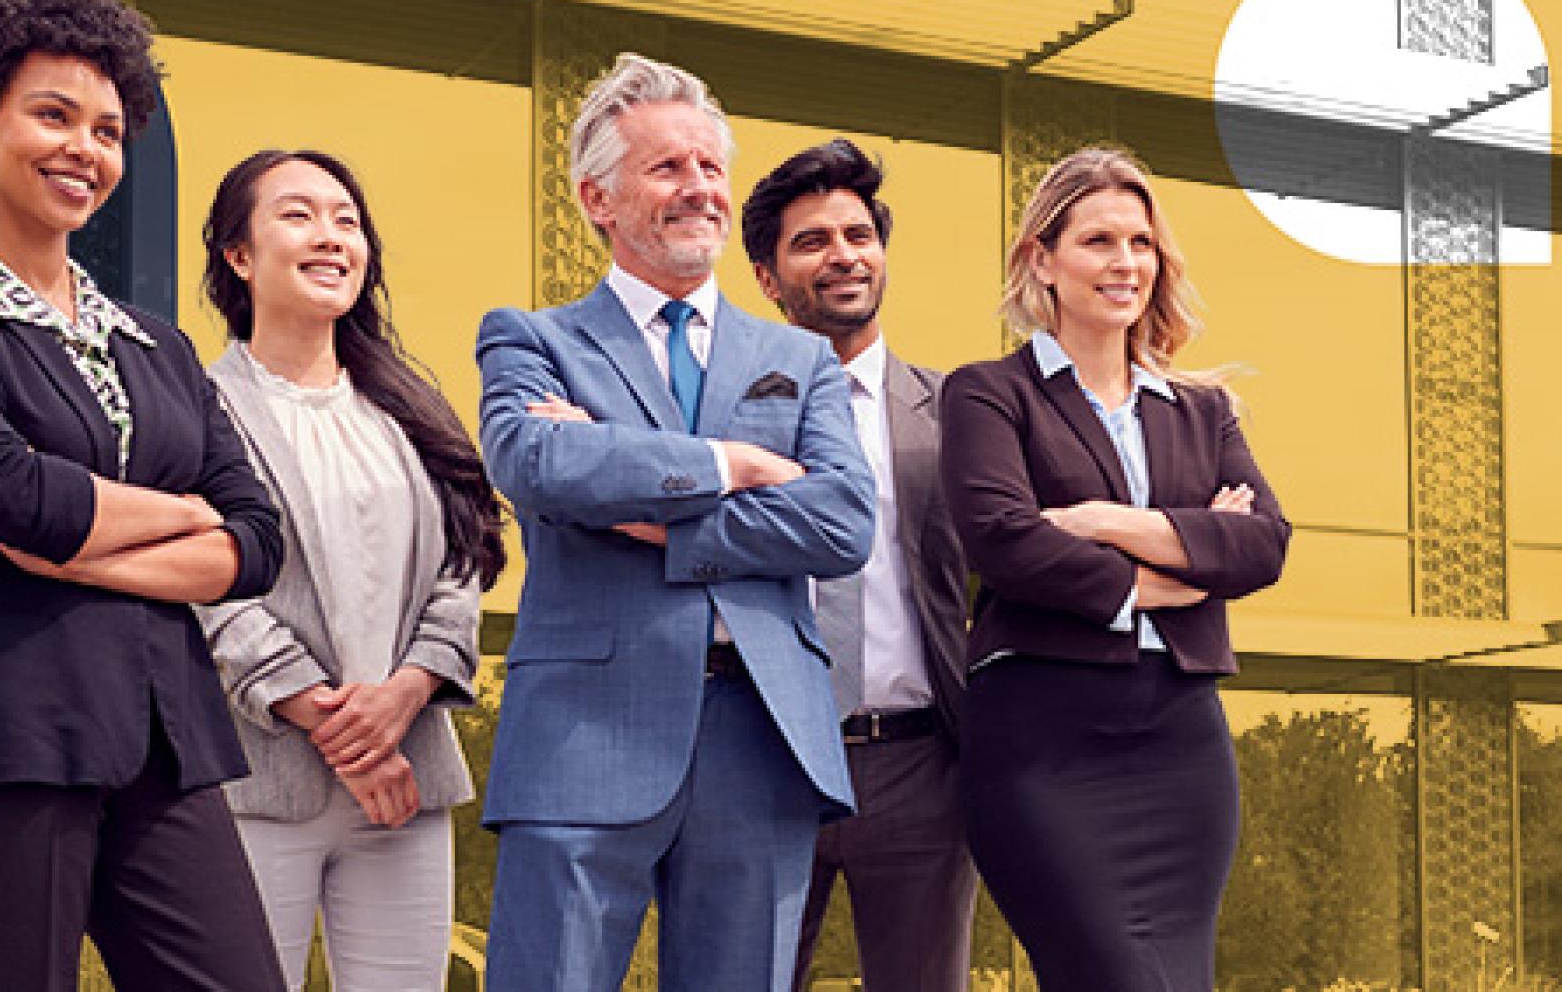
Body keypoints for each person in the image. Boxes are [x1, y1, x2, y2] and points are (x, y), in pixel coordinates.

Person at [0, 0, 287, 991]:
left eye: (106, 131)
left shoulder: (158, 344)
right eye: (53, 117)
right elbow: (7, 496)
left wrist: (86, 546)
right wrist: (180, 517)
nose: (84, 151)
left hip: (165, 743)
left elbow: (257, 539)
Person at [475, 52, 876, 992]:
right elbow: (538, 462)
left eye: (710, 168)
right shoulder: (533, 339)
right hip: (582, 734)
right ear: (598, 199)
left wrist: (669, 523)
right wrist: (730, 467)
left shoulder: (800, 358)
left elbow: (843, 520)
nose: (699, 187)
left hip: (761, 733)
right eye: (667, 168)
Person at [939, 147, 1291, 992]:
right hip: (1042, 741)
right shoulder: (989, 394)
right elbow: (1004, 540)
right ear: (1042, 260)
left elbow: (1264, 544)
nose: (1125, 262)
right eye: (1098, 240)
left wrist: (1104, 524)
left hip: (1180, 739)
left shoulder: (1203, 410)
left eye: (1140, 242)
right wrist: (1166, 575)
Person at [193, 148, 506, 990]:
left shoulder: (407, 407)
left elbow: (462, 559)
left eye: (347, 220)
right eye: (298, 215)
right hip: (262, 779)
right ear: (239, 255)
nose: (332, 237)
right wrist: (339, 730)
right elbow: (207, 586)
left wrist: (403, 695)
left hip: (407, 783)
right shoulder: (195, 406)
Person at [743, 139, 976, 992]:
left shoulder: (958, 409)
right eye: (812, 241)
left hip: (921, 764)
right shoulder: (725, 412)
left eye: (858, 234)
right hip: (766, 757)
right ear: (768, 279)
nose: (843, 254)